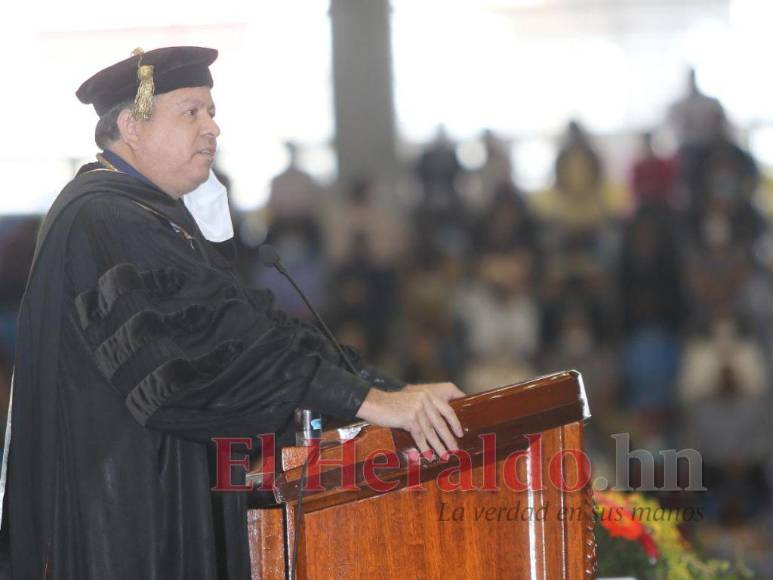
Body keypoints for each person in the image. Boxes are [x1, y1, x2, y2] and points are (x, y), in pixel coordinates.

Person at [1, 46, 464, 580]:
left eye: (212, 112)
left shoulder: (146, 213)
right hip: (126, 520)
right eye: (191, 112)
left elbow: (249, 327)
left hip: (154, 493)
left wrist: (381, 389)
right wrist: (368, 400)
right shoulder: (106, 217)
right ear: (131, 125)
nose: (212, 129)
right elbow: (206, 365)